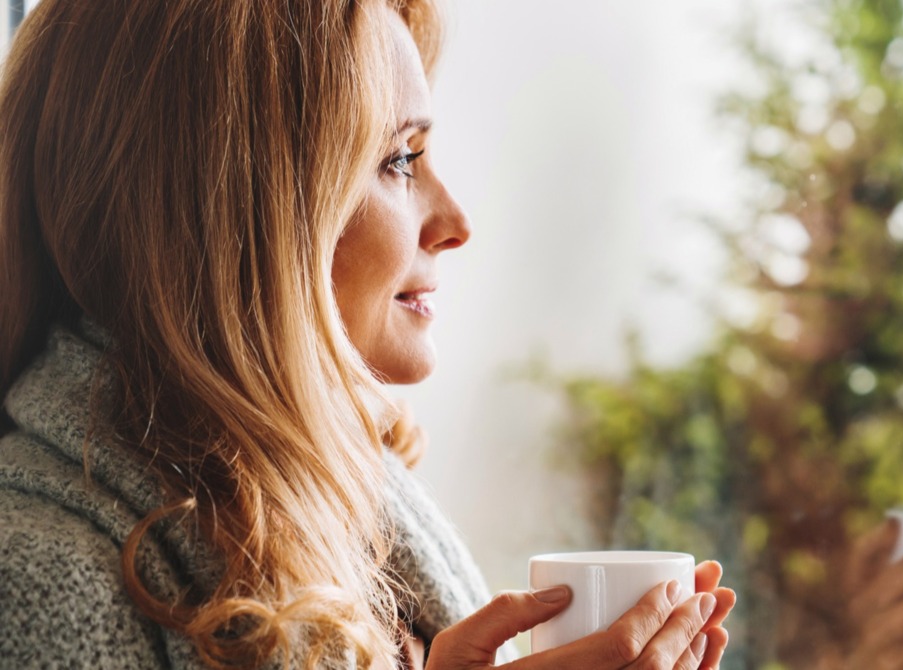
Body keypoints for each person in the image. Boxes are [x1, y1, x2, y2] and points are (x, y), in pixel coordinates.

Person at [0, 0, 735, 668]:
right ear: (231, 215)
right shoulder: (40, 578)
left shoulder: (356, 508)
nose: (456, 223)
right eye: (399, 159)